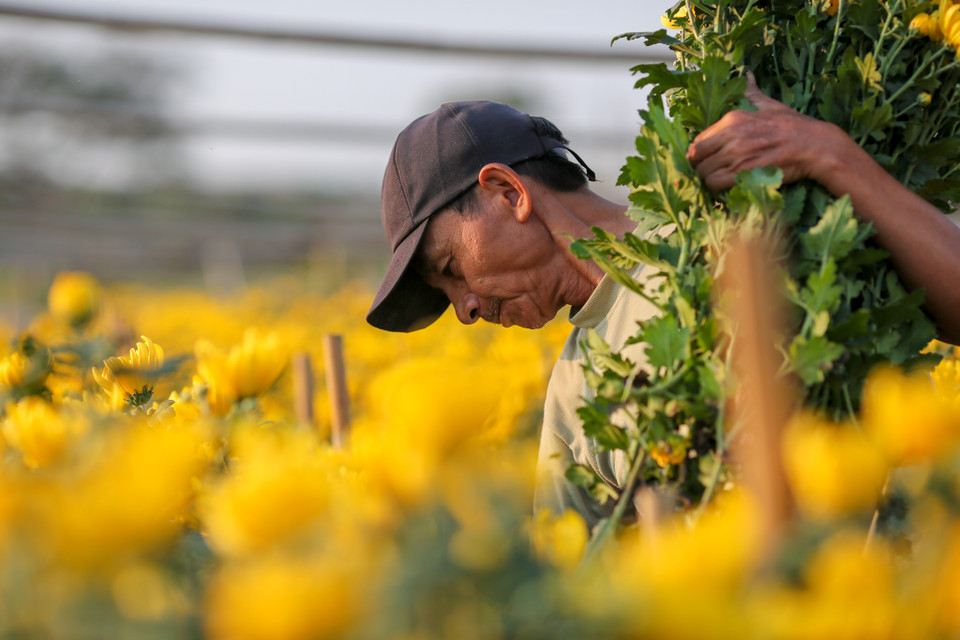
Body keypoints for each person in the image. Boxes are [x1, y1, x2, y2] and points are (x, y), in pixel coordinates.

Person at [366, 80, 960, 529]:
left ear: (507, 192)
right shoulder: (574, 399)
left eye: (450, 271)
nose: (465, 310)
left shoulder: (744, 206)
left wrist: (832, 157)